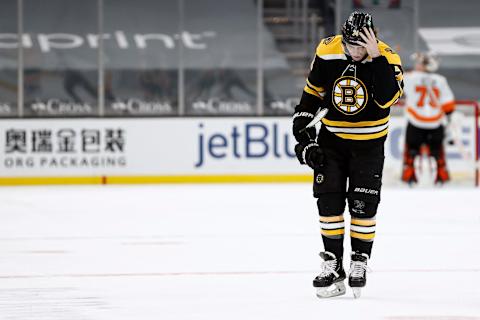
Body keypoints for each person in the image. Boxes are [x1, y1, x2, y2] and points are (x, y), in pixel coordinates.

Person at [292, 11, 403, 298]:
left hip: (369, 145)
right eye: (350, 45)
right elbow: (311, 95)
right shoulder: (327, 50)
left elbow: (388, 98)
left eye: (361, 46)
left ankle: (359, 261)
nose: (354, 51)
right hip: (332, 142)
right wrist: (304, 137)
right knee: (327, 201)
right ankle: (333, 264)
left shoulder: (387, 57)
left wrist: (376, 56)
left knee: (363, 205)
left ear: (372, 41)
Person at [401, 52, 455, 185]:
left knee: (411, 151)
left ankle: (409, 176)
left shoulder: (409, 77)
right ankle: (441, 176)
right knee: (437, 151)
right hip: (435, 122)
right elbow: (448, 104)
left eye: (418, 63)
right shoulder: (440, 79)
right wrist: (448, 116)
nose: (416, 65)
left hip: (415, 121)